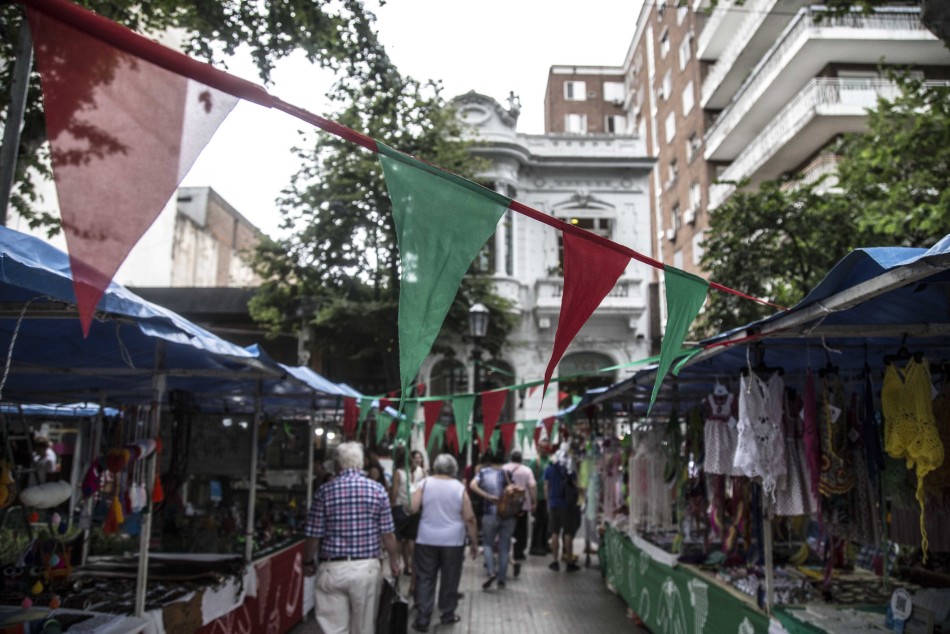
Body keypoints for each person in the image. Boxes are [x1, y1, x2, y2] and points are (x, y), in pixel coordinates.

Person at [302, 442, 401, 634]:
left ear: (338, 465)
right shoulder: (377, 490)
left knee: (334, 629)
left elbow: (313, 535)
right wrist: (395, 561)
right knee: (364, 629)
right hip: (366, 569)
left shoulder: (325, 491)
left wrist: (307, 562)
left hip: (332, 569)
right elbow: (388, 534)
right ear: (361, 464)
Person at [409, 454, 478, 633]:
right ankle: (447, 614)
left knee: (425, 577)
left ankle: (423, 619)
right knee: (450, 577)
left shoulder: (424, 483)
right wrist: (474, 543)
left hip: (426, 539)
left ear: (435, 467)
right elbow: (470, 518)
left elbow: (413, 508)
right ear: (453, 469)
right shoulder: (459, 488)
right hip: (453, 541)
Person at [469, 450, 516, 590]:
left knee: (488, 544)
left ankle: (491, 571)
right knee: (504, 547)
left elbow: (472, 485)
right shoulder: (507, 473)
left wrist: (487, 496)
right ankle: (501, 579)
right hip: (508, 514)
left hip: (489, 513)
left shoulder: (483, 473)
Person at [544, 449, 581, 573]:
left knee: (554, 533)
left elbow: (546, 486)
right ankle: (569, 561)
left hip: (554, 504)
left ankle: (555, 561)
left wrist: (548, 502)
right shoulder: (570, 470)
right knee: (568, 534)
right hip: (567, 505)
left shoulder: (549, 469)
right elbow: (577, 485)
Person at [502, 450, 536, 577]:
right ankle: (519, 552)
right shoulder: (527, 470)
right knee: (521, 529)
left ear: (511, 458)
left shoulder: (503, 468)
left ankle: (506, 551)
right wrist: (534, 501)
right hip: (522, 505)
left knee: (507, 529)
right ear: (521, 459)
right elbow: (532, 487)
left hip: (507, 505)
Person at [391, 446, 422, 578]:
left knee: (398, 540)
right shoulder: (415, 472)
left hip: (399, 508)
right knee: (411, 539)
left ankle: (398, 565)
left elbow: (395, 492)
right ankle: (411, 567)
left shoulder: (398, 473)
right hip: (413, 508)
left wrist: (390, 504)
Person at [528, 449, 551, 556]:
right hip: (539, 496)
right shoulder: (535, 461)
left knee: (546, 522)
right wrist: (533, 499)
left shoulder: (550, 460)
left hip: (548, 496)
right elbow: (530, 480)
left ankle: (544, 543)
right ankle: (535, 546)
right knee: (538, 522)